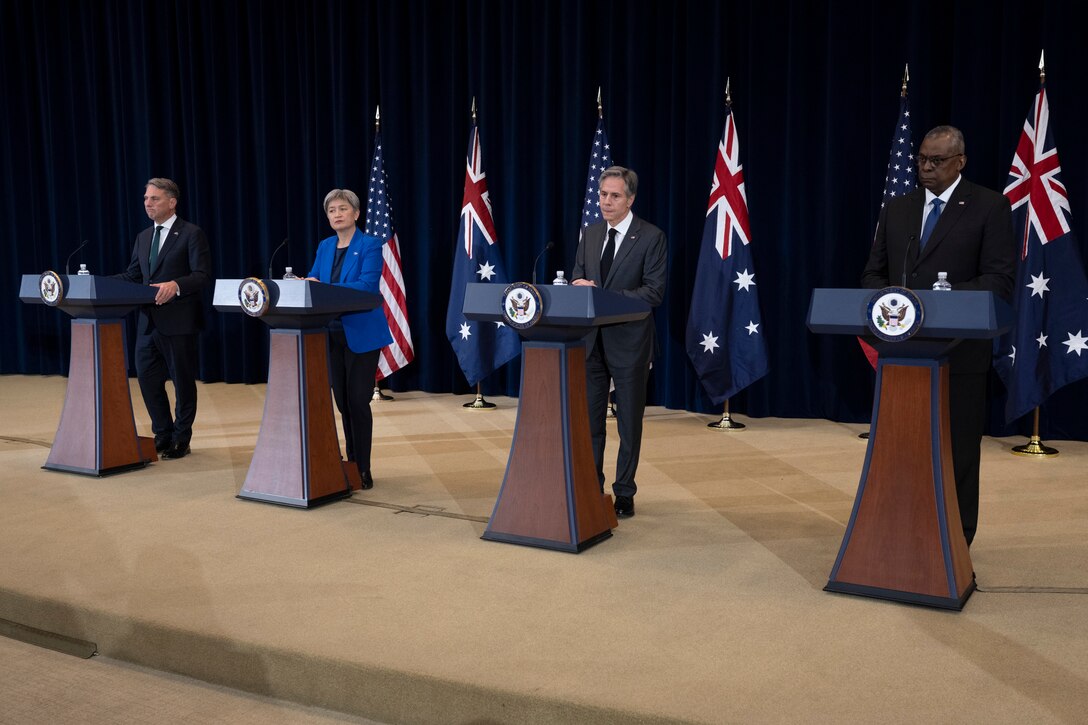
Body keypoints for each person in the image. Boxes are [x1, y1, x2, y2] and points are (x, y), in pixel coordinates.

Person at [861, 125, 1015, 545]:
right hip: (901, 352)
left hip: (960, 354)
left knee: (957, 453)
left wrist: (937, 299)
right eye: (922, 160)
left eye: (936, 161)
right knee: (903, 450)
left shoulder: (989, 206)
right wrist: (889, 298)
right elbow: (874, 273)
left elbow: (999, 281)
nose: (926, 168)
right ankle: (898, 532)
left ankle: (955, 545)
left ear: (960, 162)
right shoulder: (898, 208)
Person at [572, 166, 668, 518]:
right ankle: (592, 485)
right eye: (602, 195)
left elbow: (653, 293)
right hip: (591, 342)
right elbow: (578, 276)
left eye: (614, 196)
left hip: (630, 342)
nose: (606, 202)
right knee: (591, 421)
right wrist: (577, 286)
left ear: (630, 199)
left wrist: (604, 295)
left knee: (629, 422)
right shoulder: (590, 233)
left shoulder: (651, 237)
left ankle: (624, 491)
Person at [117, 178, 212, 460]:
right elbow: (133, 275)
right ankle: (163, 433)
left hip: (179, 320)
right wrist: (98, 284)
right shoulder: (144, 237)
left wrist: (176, 285)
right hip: (147, 322)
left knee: (182, 381)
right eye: (146, 198)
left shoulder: (191, 234)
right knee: (147, 379)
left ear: (172, 202)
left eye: (154, 198)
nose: (148, 203)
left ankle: (182, 437)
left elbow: (202, 276)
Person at [304, 189, 391, 490]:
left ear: (356, 214)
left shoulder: (370, 244)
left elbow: (367, 286)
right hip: (330, 333)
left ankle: (363, 468)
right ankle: (349, 462)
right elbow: (313, 279)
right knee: (342, 402)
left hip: (362, 333)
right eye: (331, 210)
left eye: (343, 208)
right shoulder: (325, 246)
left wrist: (323, 287)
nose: (337, 214)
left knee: (357, 400)